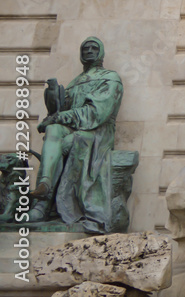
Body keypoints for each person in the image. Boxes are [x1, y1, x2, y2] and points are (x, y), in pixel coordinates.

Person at [28, 37, 124, 233]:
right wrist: (53, 100)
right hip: (74, 127)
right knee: (53, 130)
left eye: (93, 47)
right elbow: (62, 113)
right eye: (85, 48)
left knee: (72, 140)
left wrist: (58, 116)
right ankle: (44, 188)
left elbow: (95, 113)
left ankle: (45, 205)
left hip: (96, 131)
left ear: (101, 52)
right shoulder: (74, 82)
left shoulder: (110, 78)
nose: (88, 50)